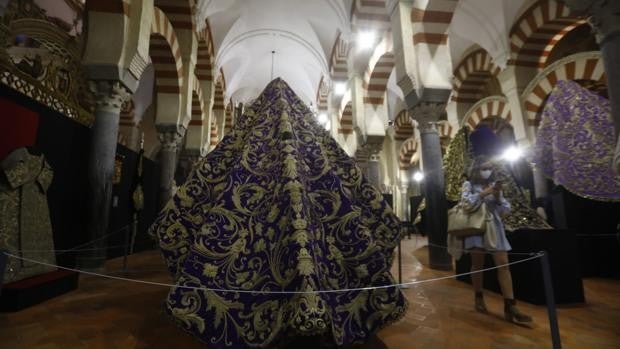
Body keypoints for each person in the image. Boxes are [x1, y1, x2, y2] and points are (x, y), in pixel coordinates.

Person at [461, 156, 532, 324]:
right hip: (477, 228)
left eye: (490, 168)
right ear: (476, 169)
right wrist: (483, 194)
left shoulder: (494, 186)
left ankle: (510, 305)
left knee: (504, 265)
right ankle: (478, 296)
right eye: (484, 168)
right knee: (478, 265)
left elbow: (505, 210)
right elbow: (466, 204)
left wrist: (499, 197)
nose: (487, 171)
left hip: (495, 227)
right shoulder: (469, 185)